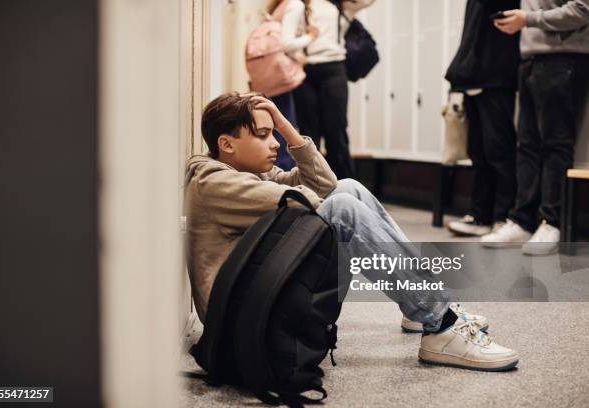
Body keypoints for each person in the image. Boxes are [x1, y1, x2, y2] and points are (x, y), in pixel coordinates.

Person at [185, 92, 519, 371]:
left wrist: (287, 129)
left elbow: (326, 184)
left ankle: (424, 305)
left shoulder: (247, 173)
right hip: (243, 324)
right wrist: (332, 202)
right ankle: (439, 323)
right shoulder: (214, 183)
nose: (273, 143)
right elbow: (307, 200)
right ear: (226, 144)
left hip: (259, 301)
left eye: (274, 134)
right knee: (341, 208)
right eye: (263, 135)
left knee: (348, 188)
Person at [484, 0, 589, 255]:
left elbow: (582, 9)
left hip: (563, 59)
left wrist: (528, 19)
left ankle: (553, 222)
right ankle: (523, 220)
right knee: (527, 145)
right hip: (530, 57)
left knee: (556, 144)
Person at [445, 0, 520, 238]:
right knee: (477, 151)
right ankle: (481, 215)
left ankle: (503, 216)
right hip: (472, 75)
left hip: (496, 75)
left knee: (499, 150)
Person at [292, 0, 375, 179]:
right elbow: (289, 36)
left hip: (334, 69)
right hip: (305, 72)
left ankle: (345, 187)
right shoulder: (299, 4)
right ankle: (311, 186)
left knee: (336, 131)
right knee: (309, 134)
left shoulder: (342, 6)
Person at [262, 0, 320, 170]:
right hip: (282, 77)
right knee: (285, 128)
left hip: (272, 75)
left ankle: (277, 175)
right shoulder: (295, 4)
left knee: (277, 126)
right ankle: (285, 179)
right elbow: (286, 44)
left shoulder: (280, 5)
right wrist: (311, 36)